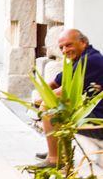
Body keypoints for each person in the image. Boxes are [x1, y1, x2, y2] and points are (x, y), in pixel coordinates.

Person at [33, 28, 103, 167]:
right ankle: (56, 152)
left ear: (83, 42)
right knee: (50, 105)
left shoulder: (91, 60)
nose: (65, 50)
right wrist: (41, 94)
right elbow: (55, 83)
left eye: (68, 45)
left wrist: (39, 101)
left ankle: (55, 159)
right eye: (61, 47)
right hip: (89, 113)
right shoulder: (79, 59)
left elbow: (65, 91)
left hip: (97, 119)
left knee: (49, 108)